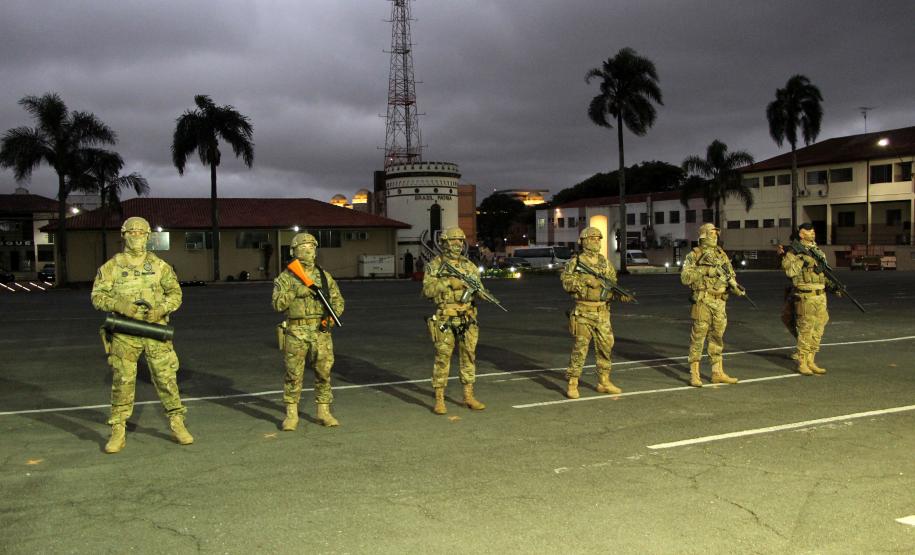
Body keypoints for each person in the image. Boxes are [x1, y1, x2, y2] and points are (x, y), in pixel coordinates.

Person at [91, 216, 192, 453]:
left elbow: (176, 294)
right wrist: (121, 305)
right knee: (122, 382)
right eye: (132, 232)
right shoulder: (112, 267)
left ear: (148, 236)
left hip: (155, 331)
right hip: (125, 333)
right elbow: (97, 296)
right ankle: (118, 429)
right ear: (124, 235)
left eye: (141, 232)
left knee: (166, 379)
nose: (136, 236)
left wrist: (161, 309)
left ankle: (177, 423)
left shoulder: (160, 266)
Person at [272, 233, 345, 429]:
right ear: (293, 252)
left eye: (311, 247)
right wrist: (296, 291)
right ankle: (291, 415)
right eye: (302, 248)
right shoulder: (286, 277)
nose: (307, 251)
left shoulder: (324, 276)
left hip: (320, 331)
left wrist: (329, 319)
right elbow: (277, 304)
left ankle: (323, 412)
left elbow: (338, 301)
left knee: (324, 372)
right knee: (293, 374)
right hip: (296, 331)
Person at [560, 227, 632, 399]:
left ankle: (604, 381)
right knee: (580, 348)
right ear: (584, 241)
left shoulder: (604, 262)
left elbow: (611, 283)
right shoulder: (575, 262)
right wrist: (585, 280)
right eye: (592, 238)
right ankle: (573, 382)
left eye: (598, 239)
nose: (596, 241)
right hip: (583, 312)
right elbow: (566, 283)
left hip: (602, 312)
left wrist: (619, 296)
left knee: (606, 347)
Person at [422, 227, 486, 414]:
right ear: (444, 243)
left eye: (461, 240)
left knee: (469, 357)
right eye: (453, 240)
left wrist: (479, 292)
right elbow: (427, 291)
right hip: (446, 318)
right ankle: (440, 399)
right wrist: (448, 282)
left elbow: (480, 289)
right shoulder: (435, 265)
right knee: (443, 358)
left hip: (467, 318)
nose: (458, 244)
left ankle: (468, 396)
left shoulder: (469, 266)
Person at [680, 223, 745, 387]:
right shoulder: (694, 255)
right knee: (698, 338)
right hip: (703, 301)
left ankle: (717, 372)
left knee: (717, 337)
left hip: (720, 301)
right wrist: (706, 271)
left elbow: (730, 274)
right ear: (703, 236)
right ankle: (694, 374)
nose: (715, 236)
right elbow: (685, 278)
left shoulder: (721, 254)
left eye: (716, 234)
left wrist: (735, 287)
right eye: (711, 234)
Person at [778, 223, 832, 375]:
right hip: (805, 296)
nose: (812, 232)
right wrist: (802, 259)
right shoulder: (794, 252)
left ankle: (811, 360)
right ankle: (802, 362)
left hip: (820, 295)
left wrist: (833, 286)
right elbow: (789, 272)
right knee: (805, 330)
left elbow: (824, 273)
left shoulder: (818, 251)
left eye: (813, 230)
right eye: (808, 230)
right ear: (801, 234)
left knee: (818, 330)